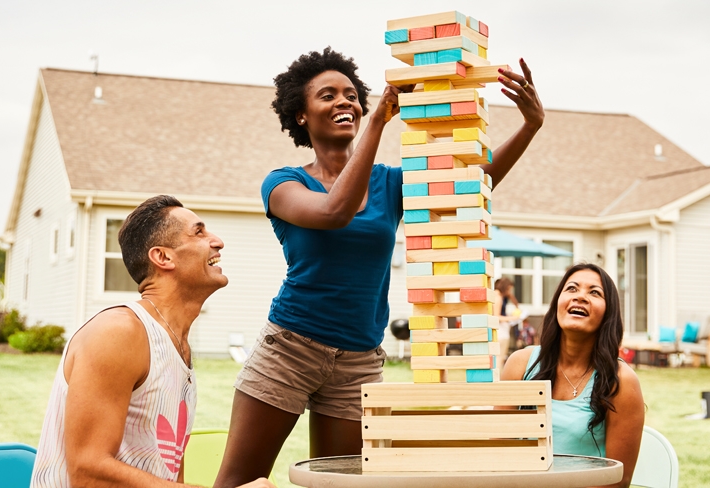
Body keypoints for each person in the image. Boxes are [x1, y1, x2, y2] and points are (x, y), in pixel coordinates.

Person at [215, 47, 544, 488]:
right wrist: (377, 123)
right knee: (238, 481)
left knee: (342, 483)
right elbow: (335, 212)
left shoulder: (390, 183)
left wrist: (530, 126)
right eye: (327, 96)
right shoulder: (283, 183)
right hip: (290, 349)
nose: (345, 102)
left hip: (358, 360)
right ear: (300, 115)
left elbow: (469, 188)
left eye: (351, 94)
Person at [31, 195, 272, 488]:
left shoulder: (177, 347)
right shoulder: (119, 332)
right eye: (199, 232)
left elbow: (169, 475)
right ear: (163, 257)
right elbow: (88, 473)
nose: (217, 241)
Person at [501, 263, 644, 487]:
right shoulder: (519, 364)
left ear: (609, 313)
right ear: (558, 302)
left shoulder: (621, 381)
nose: (580, 297)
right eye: (572, 288)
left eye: (595, 292)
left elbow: (618, 481)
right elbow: (497, 456)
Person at [494, 277, 520, 368]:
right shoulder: (498, 297)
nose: (510, 292)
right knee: (499, 357)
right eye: (509, 289)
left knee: (498, 357)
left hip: (500, 331)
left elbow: (516, 304)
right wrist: (512, 318)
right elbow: (496, 316)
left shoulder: (498, 296)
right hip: (500, 331)